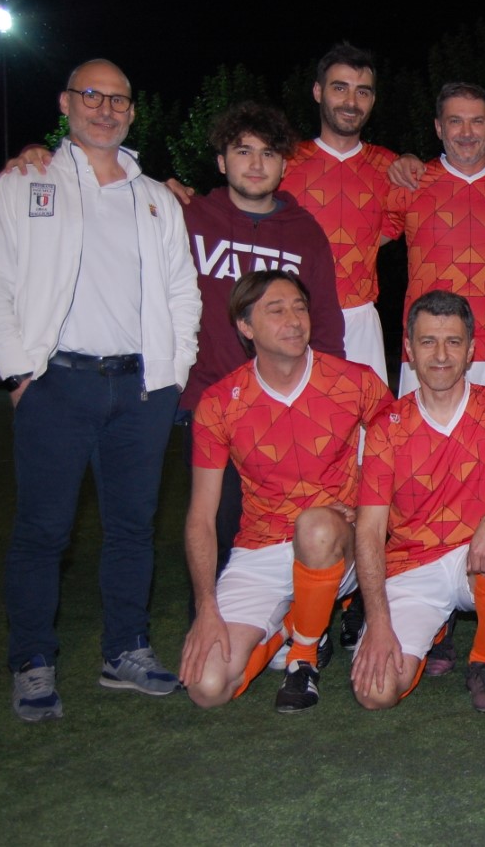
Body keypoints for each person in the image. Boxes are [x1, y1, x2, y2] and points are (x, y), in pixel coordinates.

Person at [0, 59, 200, 721]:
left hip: (140, 391)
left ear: (132, 111)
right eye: (92, 96)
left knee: (132, 528)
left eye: (119, 100)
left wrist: (173, 371)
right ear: (66, 103)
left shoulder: (154, 196)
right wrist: (18, 372)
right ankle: (32, 661)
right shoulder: (26, 183)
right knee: (43, 531)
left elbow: (182, 290)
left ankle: (125, 650)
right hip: (57, 386)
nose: (106, 109)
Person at [180, 271, 390, 713]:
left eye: (299, 307)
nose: (294, 320)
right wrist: (206, 606)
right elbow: (201, 516)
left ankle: (303, 659)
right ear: (245, 326)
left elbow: (403, 453)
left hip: (339, 547)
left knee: (315, 527)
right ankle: (290, 624)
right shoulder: (219, 403)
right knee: (207, 686)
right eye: (276, 310)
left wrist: (364, 505)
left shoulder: (355, 381)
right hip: (261, 549)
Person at [180, 102, 346, 604]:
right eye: (243, 151)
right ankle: (211, 620)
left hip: (287, 407)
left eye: (269, 153)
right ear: (221, 161)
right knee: (218, 520)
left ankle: (303, 625)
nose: (255, 164)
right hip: (211, 402)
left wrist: (325, 401)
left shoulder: (304, 230)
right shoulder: (189, 217)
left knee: (295, 522)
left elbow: (326, 324)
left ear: (282, 165)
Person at [353, 291, 485, 713]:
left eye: (453, 342)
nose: (440, 355)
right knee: (376, 693)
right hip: (412, 567)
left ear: (470, 351)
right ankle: (432, 627)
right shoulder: (386, 427)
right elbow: (370, 531)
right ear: (409, 350)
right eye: (428, 341)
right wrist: (378, 621)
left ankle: (484, 661)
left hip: (478, 558)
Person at [383, 83, 485, 395]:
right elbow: (363, 242)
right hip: (427, 345)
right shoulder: (411, 181)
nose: (466, 132)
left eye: (477, 121)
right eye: (455, 121)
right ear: (438, 127)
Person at [276, 43, 402, 384]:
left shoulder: (390, 167)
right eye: (340, 88)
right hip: (292, 315)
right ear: (318, 92)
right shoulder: (285, 162)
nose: (351, 102)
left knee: (367, 417)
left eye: (362, 92)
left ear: (372, 100)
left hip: (359, 319)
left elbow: (387, 230)